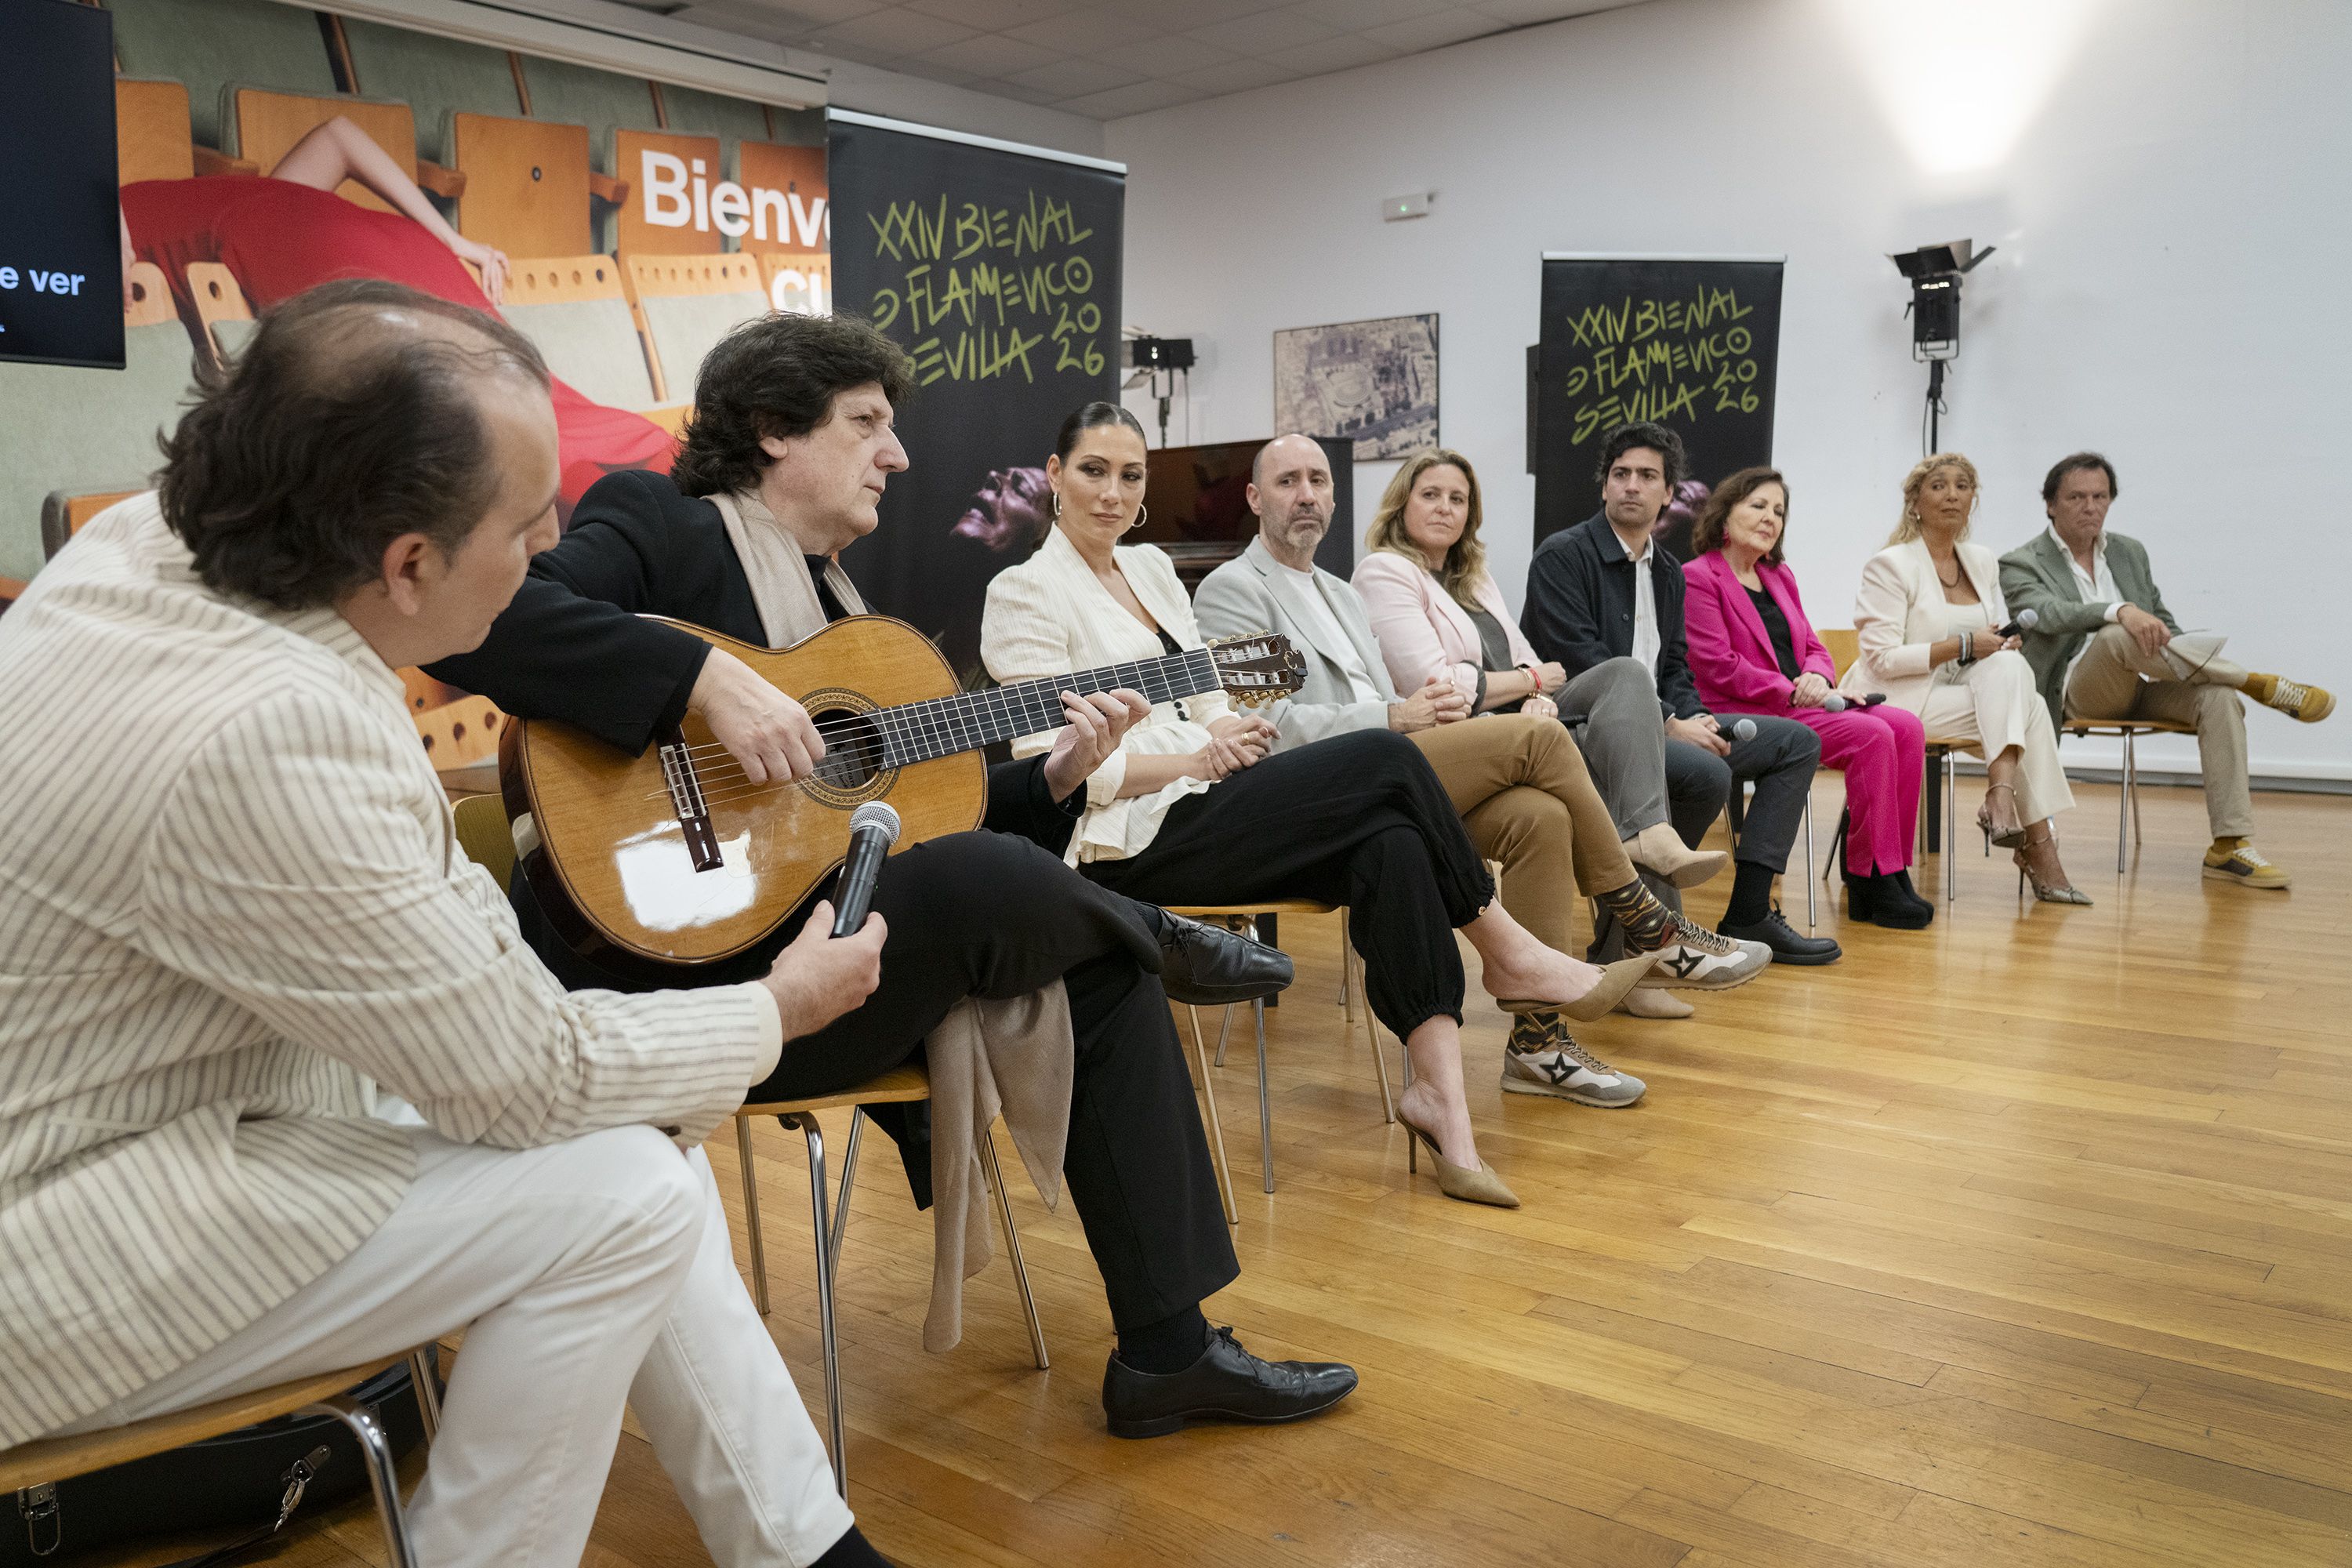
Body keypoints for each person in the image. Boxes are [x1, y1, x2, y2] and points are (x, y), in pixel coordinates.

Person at [0, 281, 891, 1567]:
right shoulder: (272, 727)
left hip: (174, 1104)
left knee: (630, 1139)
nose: (549, 564)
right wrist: (777, 1007)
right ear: (408, 561)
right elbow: (528, 1078)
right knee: (625, 1191)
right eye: (532, 531)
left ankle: (806, 1550)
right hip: (63, 1230)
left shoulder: (148, 543)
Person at [430, 310, 1357, 1438]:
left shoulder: (847, 620)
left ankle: (1171, 1351)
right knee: (1017, 901)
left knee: (1085, 965)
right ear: (773, 430)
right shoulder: (658, 526)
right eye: (868, 422)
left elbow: (924, 814)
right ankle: (1151, 931)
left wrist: (1060, 773)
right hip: (688, 985)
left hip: (837, 953)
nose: (899, 455)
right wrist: (700, 683)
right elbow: (476, 624)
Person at [982, 406, 1661, 1210]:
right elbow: (1055, 773)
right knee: (1385, 754)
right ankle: (1506, 945)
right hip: (1126, 838)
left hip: (1210, 791)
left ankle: (1441, 1099)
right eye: (1094, 470)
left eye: (1131, 476)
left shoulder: (1157, 572)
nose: (1113, 492)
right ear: (1056, 476)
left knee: (1393, 839)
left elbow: (1203, 699)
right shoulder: (1022, 591)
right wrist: (1194, 757)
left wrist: (1229, 730)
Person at [1196, 437, 1765, 1108]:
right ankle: (1646, 919)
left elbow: (1419, 702)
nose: (1307, 494)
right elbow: (1265, 728)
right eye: (1287, 481)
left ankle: (1538, 1044)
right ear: (1256, 499)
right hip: (1315, 788)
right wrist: (1393, 714)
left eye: (1318, 480)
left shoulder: (1340, 594)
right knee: (1541, 738)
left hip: (1391, 768)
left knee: (1540, 817)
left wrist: (1415, 715)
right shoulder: (1230, 589)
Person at [1350, 446, 1766, 1022]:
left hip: (1519, 729)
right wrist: (1527, 686)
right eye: (1430, 495)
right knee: (1551, 811)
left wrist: (1537, 698)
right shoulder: (1385, 571)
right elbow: (1444, 687)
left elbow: (1548, 672)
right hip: (1458, 742)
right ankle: (1639, 939)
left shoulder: (1475, 579)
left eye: (1458, 499)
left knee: (1628, 675)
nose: (1445, 508)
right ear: (1402, 503)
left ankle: (1647, 844)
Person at [119, 114, 672, 515]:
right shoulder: (264, 196)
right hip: (377, 237)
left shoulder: (115, 209)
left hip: (313, 243)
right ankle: (651, 478)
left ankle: (611, 497)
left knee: (456, 387)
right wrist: (452, 239)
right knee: (498, 378)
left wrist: (460, 240)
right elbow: (340, 135)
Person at [1522, 423, 1835, 963]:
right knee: (1701, 773)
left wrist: (1693, 717)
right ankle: (1646, 946)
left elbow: (1675, 665)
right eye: (1621, 474)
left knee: (1789, 745)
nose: (1631, 486)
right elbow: (1579, 661)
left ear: (1669, 493)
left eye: (1647, 477)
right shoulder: (1562, 555)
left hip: (1664, 721)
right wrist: (1670, 722)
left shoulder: (1667, 572)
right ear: (1604, 486)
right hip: (1576, 725)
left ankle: (1740, 912)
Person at [1998, 451, 2334, 891]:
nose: (2090, 506)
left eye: (2100, 496)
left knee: (2219, 699)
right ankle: (2254, 681)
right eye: (2077, 497)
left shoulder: (2128, 552)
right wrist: (2120, 610)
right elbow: (2048, 614)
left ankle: (2229, 845)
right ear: (2050, 504)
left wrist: (2178, 646)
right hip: (2075, 690)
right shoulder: (2021, 562)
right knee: (2117, 632)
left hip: (2138, 681)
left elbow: (2161, 622)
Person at [1682, 468, 1929, 931]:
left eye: (1778, 511)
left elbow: (1812, 646)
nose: (1770, 518)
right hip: (1742, 711)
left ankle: (1888, 870)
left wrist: (1818, 675)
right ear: (1724, 513)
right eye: (1758, 506)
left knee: (1906, 727)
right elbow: (1718, 664)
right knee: (1872, 734)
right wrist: (1795, 688)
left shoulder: (1778, 576)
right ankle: (1869, 875)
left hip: (1797, 702)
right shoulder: (1698, 578)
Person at [1842, 453, 2089, 906]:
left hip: (1964, 694)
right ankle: (2037, 843)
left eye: (1963, 486)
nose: (1952, 494)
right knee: (2029, 711)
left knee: (2013, 668)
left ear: (1973, 500)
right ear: (1915, 501)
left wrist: (1997, 645)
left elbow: (1986, 640)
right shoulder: (1891, 564)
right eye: (1939, 486)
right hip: (1897, 701)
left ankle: (2001, 797)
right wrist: (1963, 647)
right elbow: (1880, 659)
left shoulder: (1981, 560)